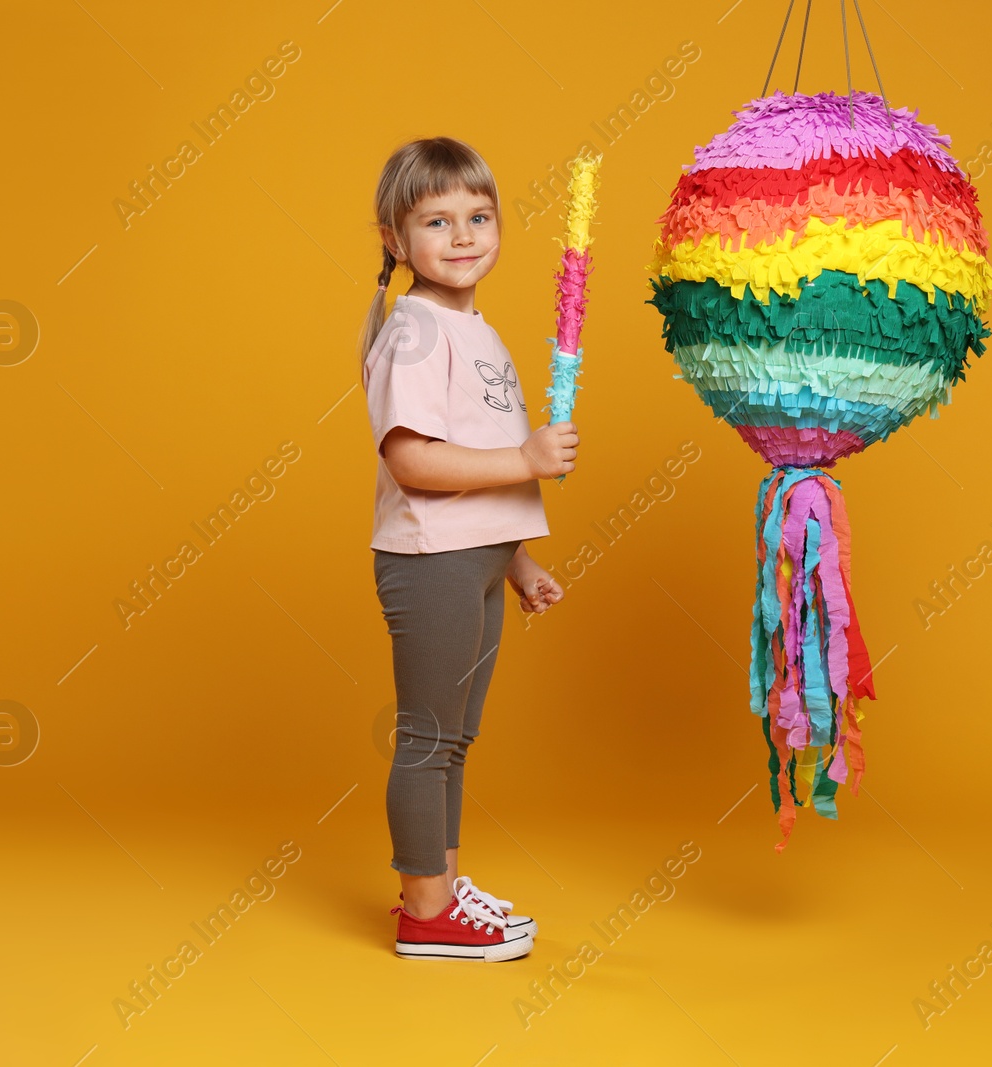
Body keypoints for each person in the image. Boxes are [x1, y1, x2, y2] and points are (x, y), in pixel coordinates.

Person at [358, 136, 579, 962]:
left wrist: (515, 557)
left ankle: (442, 888)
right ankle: (425, 911)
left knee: (454, 737)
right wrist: (526, 460)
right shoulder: (413, 333)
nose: (462, 236)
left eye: (478, 216)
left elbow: (472, 452)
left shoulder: (474, 327)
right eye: (437, 220)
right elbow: (412, 460)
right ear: (394, 237)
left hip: (475, 557)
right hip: (431, 562)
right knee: (428, 735)